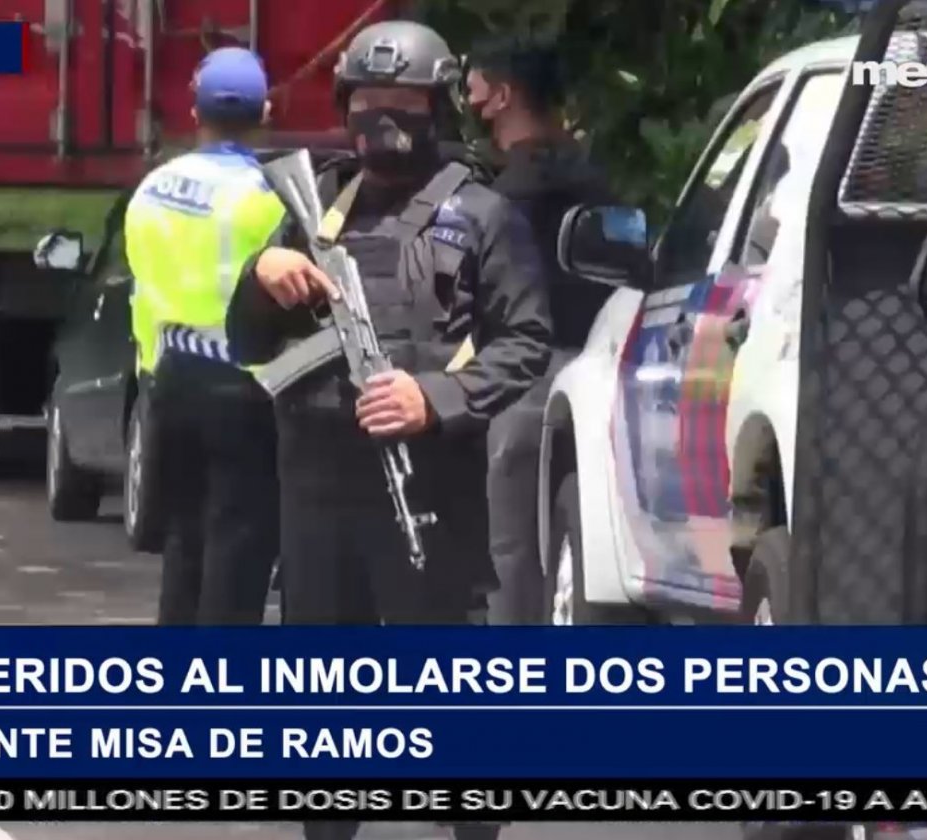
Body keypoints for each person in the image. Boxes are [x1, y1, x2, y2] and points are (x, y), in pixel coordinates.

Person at [226, 19, 551, 840]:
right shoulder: (313, 212)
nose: (383, 121)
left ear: (437, 109)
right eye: (367, 103)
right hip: (317, 488)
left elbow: (525, 341)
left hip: (430, 488)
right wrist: (261, 277)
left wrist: (433, 397)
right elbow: (247, 343)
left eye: (402, 104)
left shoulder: (482, 214)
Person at [123, 47, 283, 626]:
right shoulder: (268, 197)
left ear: (194, 112)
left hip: (170, 379)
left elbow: (142, 287)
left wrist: (151, 372)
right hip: (244, 385)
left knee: (184, 542)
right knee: (238, 548)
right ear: (265, 113)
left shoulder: (152, 188)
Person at [464, 38, 617, 624]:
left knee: (510, 549)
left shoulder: (498, 200)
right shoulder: (599, 181)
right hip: (598, 372)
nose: (468, 101)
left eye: (475, 88)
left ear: (502, 97)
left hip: (520, 382)